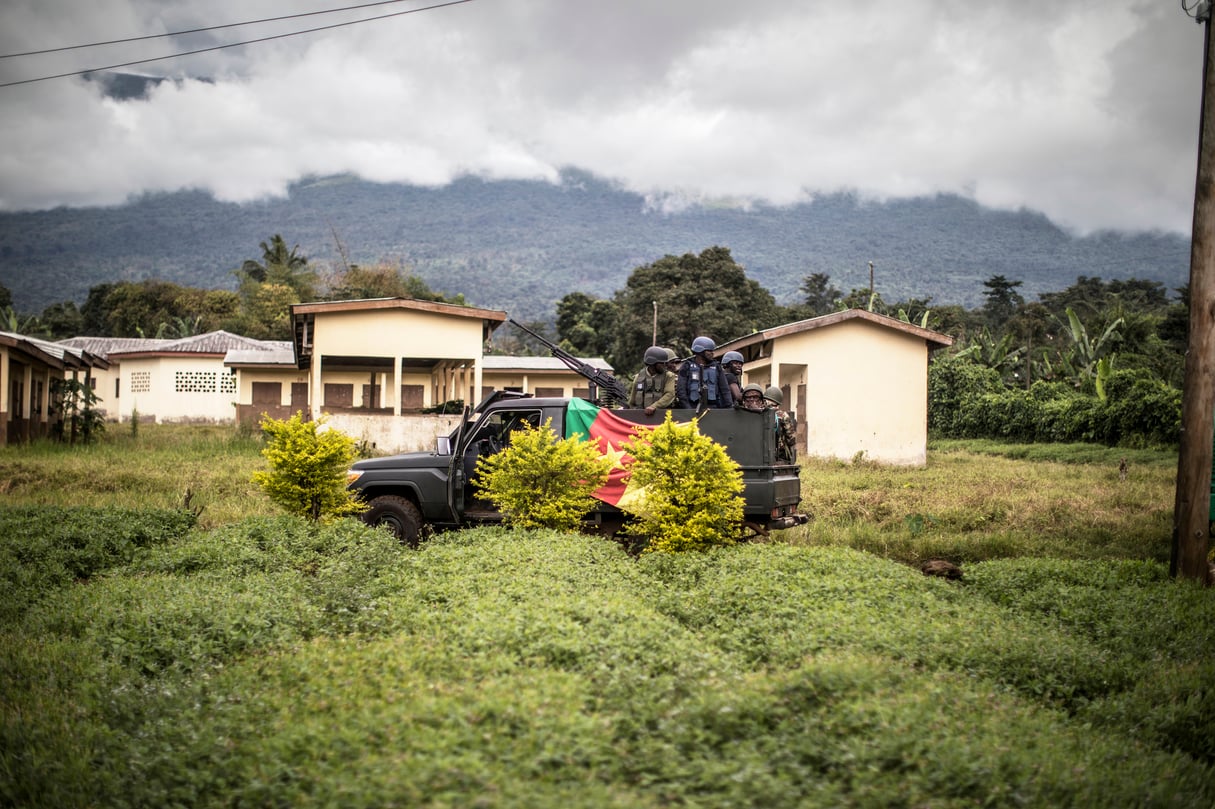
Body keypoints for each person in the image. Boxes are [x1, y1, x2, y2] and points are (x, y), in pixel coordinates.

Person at [676, 336, 734, 410]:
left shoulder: (717, 367)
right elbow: (681, 391)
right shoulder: (687, 366)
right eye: (709, 351)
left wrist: (729, 407)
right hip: (692, 407)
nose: (712, 353)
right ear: (700, 351)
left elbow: (725, 390)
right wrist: (688, 409)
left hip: (713, 408)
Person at [629, 345, 677, 415]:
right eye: (662, 363)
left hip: (662, 415)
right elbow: (632, 401)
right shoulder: (638, 377)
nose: (665, 365)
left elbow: (670, 394)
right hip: (641, 416)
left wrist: (654, 406)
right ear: (653, 363)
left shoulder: (669, 376)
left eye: (665, 363)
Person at [764, 385, 797, 463]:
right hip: (779, 455)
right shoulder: (783, 415)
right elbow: (791, 439)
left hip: (762, 453)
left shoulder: (760, 413)